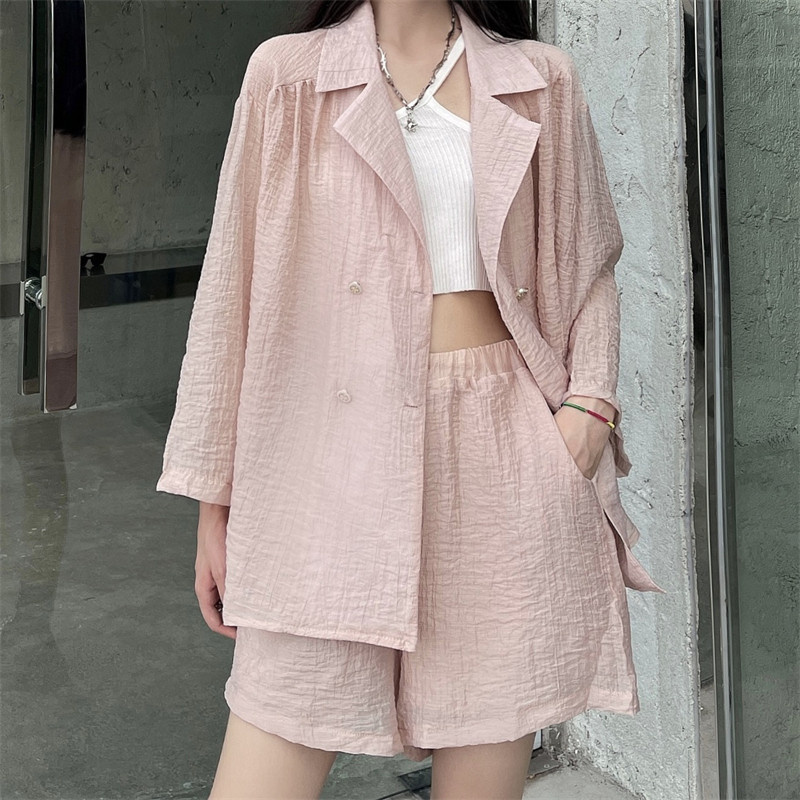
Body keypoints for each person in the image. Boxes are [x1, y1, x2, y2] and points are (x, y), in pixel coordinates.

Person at [156, 1, 666, 797]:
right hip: (323, 459)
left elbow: (588, 262)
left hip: (503, 449)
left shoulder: (540, 78)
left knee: (486, 748)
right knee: (276, 735)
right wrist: (213, 502)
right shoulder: (287, 75)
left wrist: (589, 411)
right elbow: (231, 286)